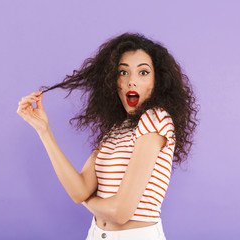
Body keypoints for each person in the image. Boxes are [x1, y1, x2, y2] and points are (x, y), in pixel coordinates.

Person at [16, 32, 199, 240]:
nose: (131, 82)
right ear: (114, 80)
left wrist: (88, 201)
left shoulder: (156, 118)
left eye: (143, 72)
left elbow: (120, 212)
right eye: (123, 72)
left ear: (158, 81)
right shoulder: (116, 130)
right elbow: (79, 189)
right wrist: (44, 130)